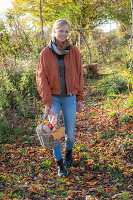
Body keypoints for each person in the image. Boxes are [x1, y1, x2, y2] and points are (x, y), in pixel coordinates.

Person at [36, 19, 84, 178]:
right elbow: (41, 78)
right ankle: (60, 165)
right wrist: (47, 102)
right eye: (60, 31)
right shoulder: (45, 53)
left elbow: (79, 74)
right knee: (55, 132)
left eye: (66, 31)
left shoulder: (74, 51)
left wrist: (79, 98)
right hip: (54, 99)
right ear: (54, 31)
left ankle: (69, 152)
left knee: (70, 134)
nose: (63, 34)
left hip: (70, 98)